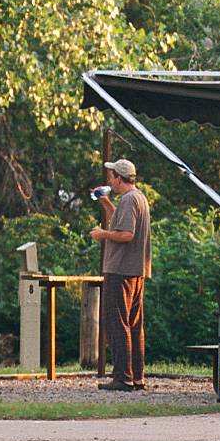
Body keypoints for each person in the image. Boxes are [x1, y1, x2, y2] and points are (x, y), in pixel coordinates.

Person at [89, 157, 151, 391]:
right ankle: (137, 377)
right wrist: (105, 202)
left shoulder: (127, 200)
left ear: (118, 178)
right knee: (134, 324)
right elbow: (123, 223)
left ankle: (123, 377)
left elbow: (125, 234)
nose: (109, 180)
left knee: (116, 322)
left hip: (120, 269)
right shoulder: (138, 198)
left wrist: (102, 234)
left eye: (111, 176)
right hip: (136, 270)